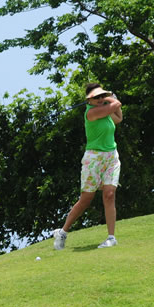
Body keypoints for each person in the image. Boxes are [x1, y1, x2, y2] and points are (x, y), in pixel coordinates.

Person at [53, 83, 123, 250]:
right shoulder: (92, 113)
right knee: (86, 199)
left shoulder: (105, 111)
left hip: (111, 157)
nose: (100, 99)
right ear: (89, 100)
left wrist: (108, 99)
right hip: (93, 158)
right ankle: (62, 232)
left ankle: (111, 237)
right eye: (96, 97)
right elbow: (117, 104)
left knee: (109, 194)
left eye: (101, 96)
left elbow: (118, 117)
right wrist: (110, 98)